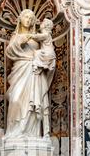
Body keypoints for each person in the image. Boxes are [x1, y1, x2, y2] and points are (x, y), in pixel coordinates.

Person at [5, 9, 55, 139]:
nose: (28, 20)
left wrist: (41, 58)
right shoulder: (15, 36)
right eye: (26, 17)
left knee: (33, 104)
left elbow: (48, 53)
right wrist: (19, 41)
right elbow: (9, 51)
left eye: (31, 18)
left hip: (34, 71)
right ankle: (13, 133)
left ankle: (32, 134)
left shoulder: (38, 38)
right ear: (20, 19)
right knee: (15, 99)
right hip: (20, 69)